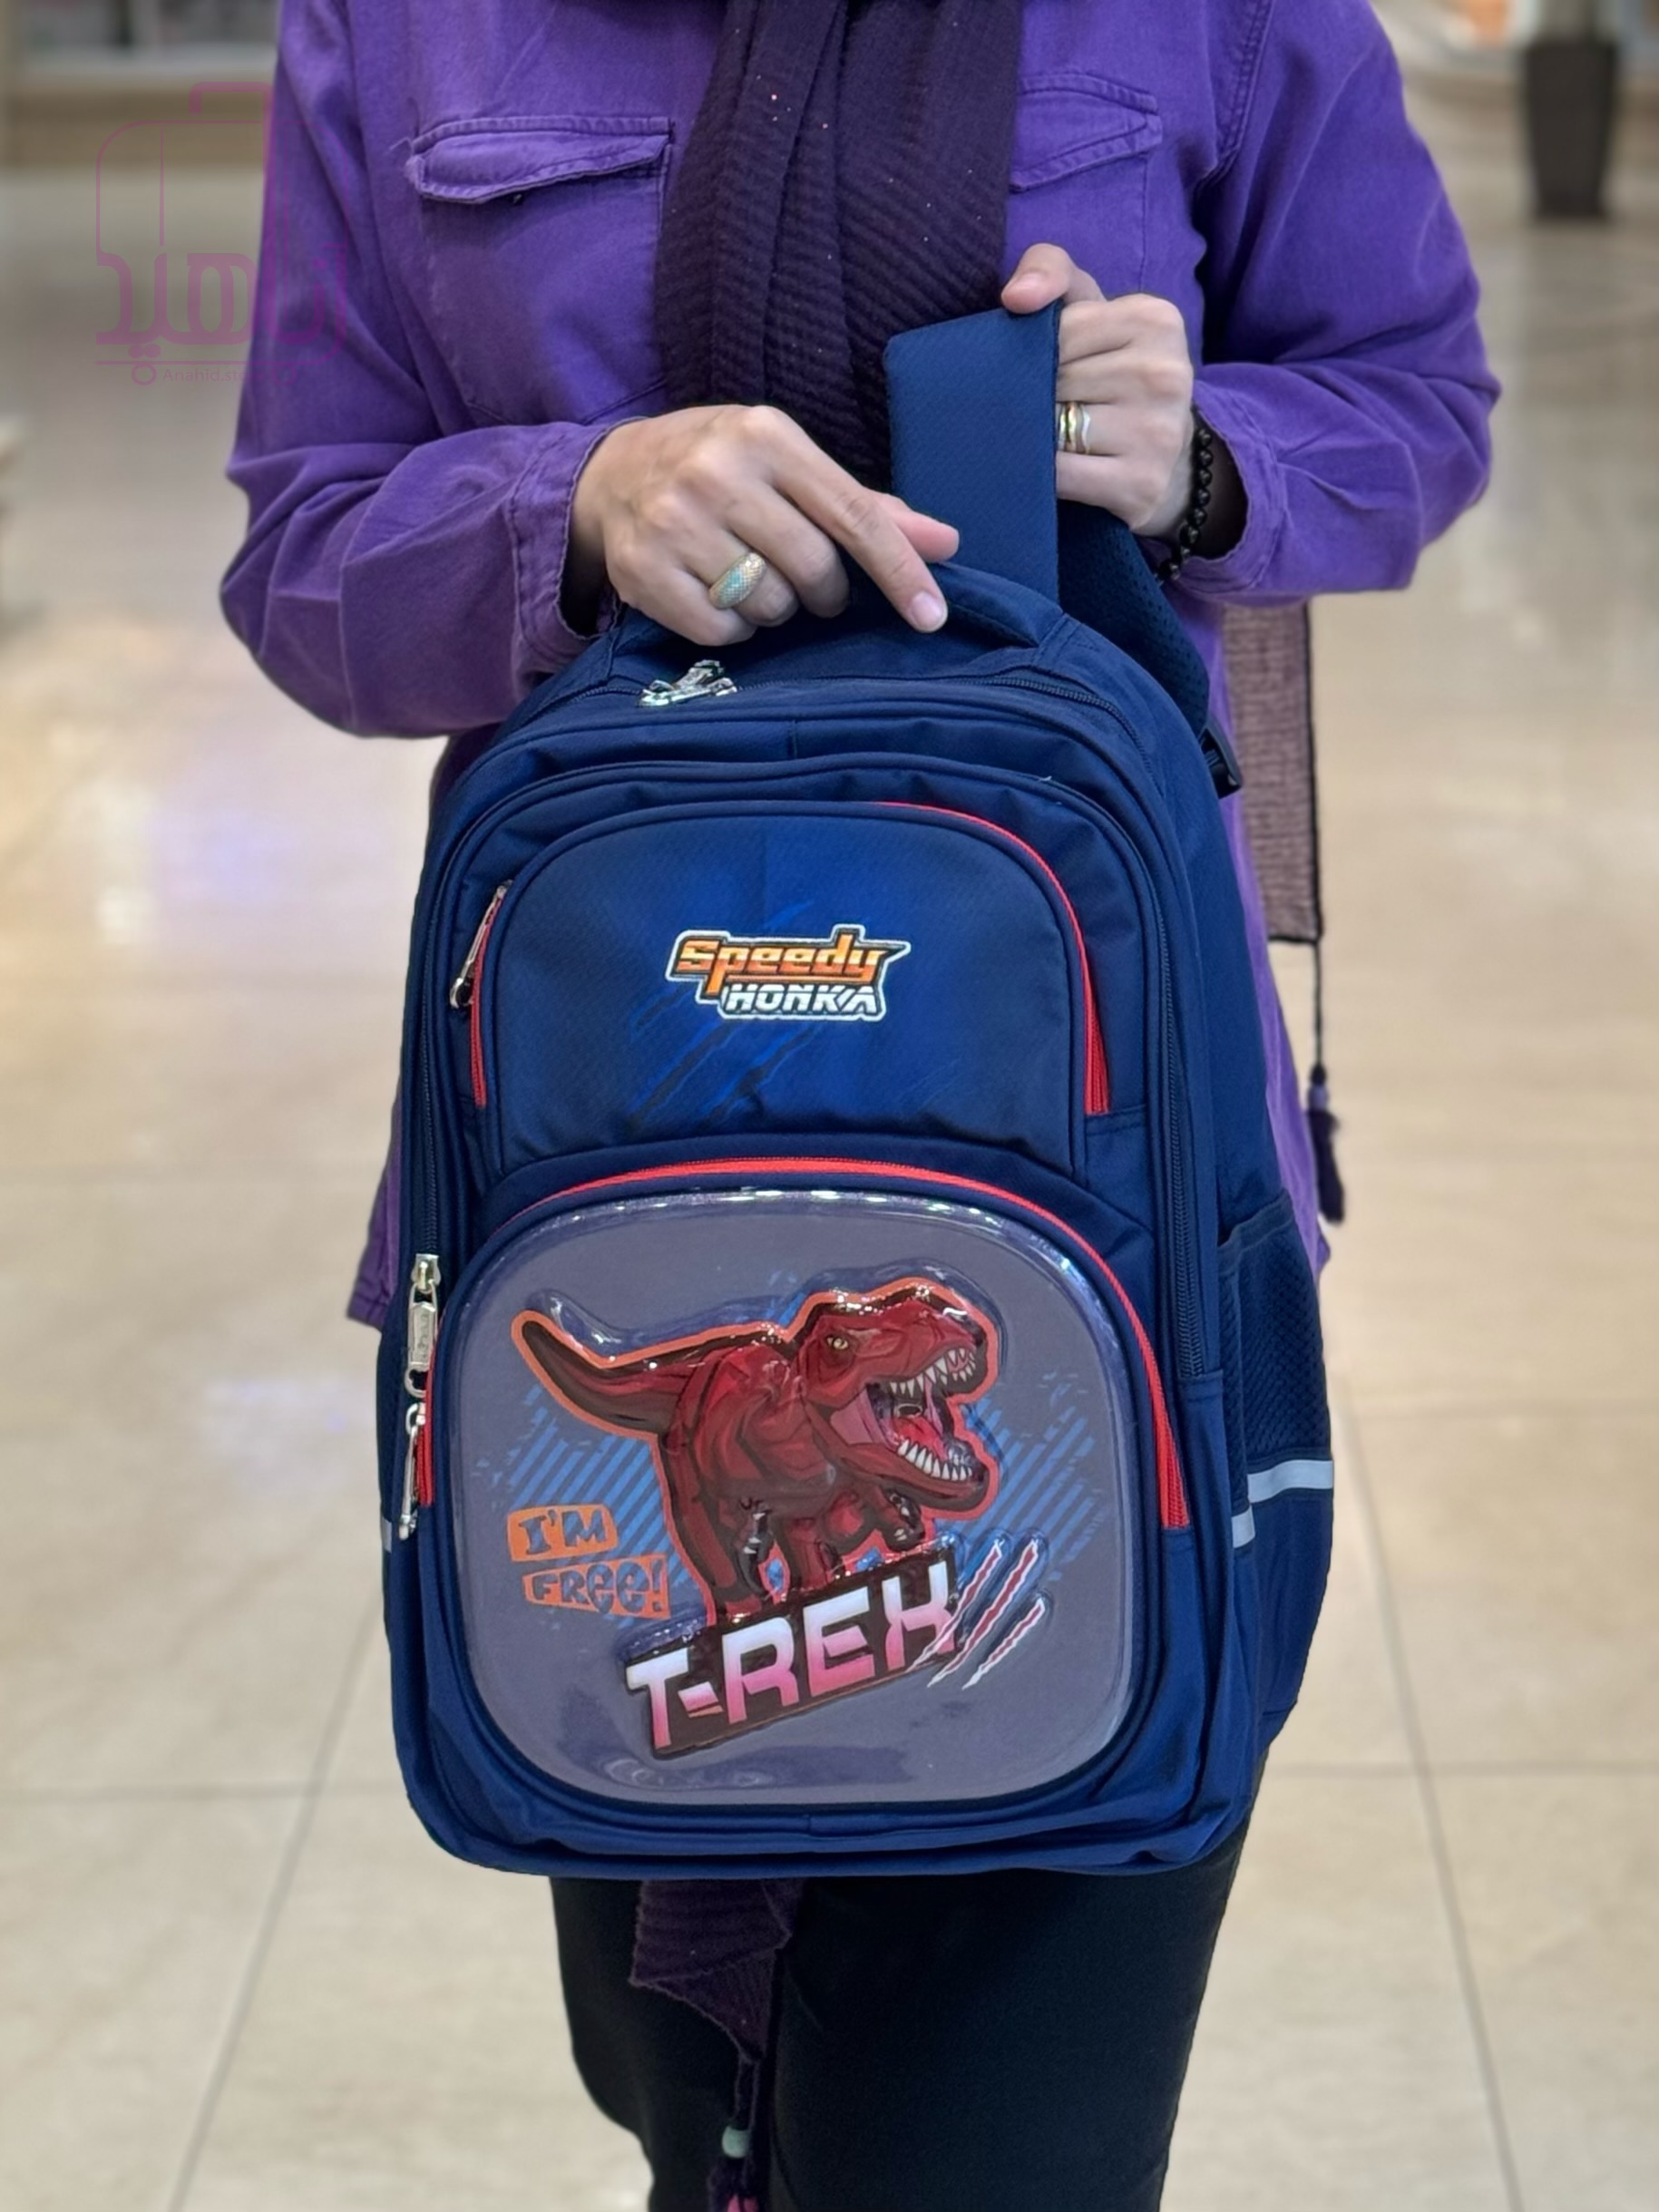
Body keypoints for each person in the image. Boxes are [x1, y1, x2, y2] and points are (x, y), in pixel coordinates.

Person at [220, 3, 1497, 2207]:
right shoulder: (398, 22)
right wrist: (573, 502)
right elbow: (305, 548)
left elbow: (1415, 400)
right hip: (621, 1164)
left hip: (1112, 1194)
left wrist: (1197, 454)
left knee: (1017, 2096)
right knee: (684, 2088)